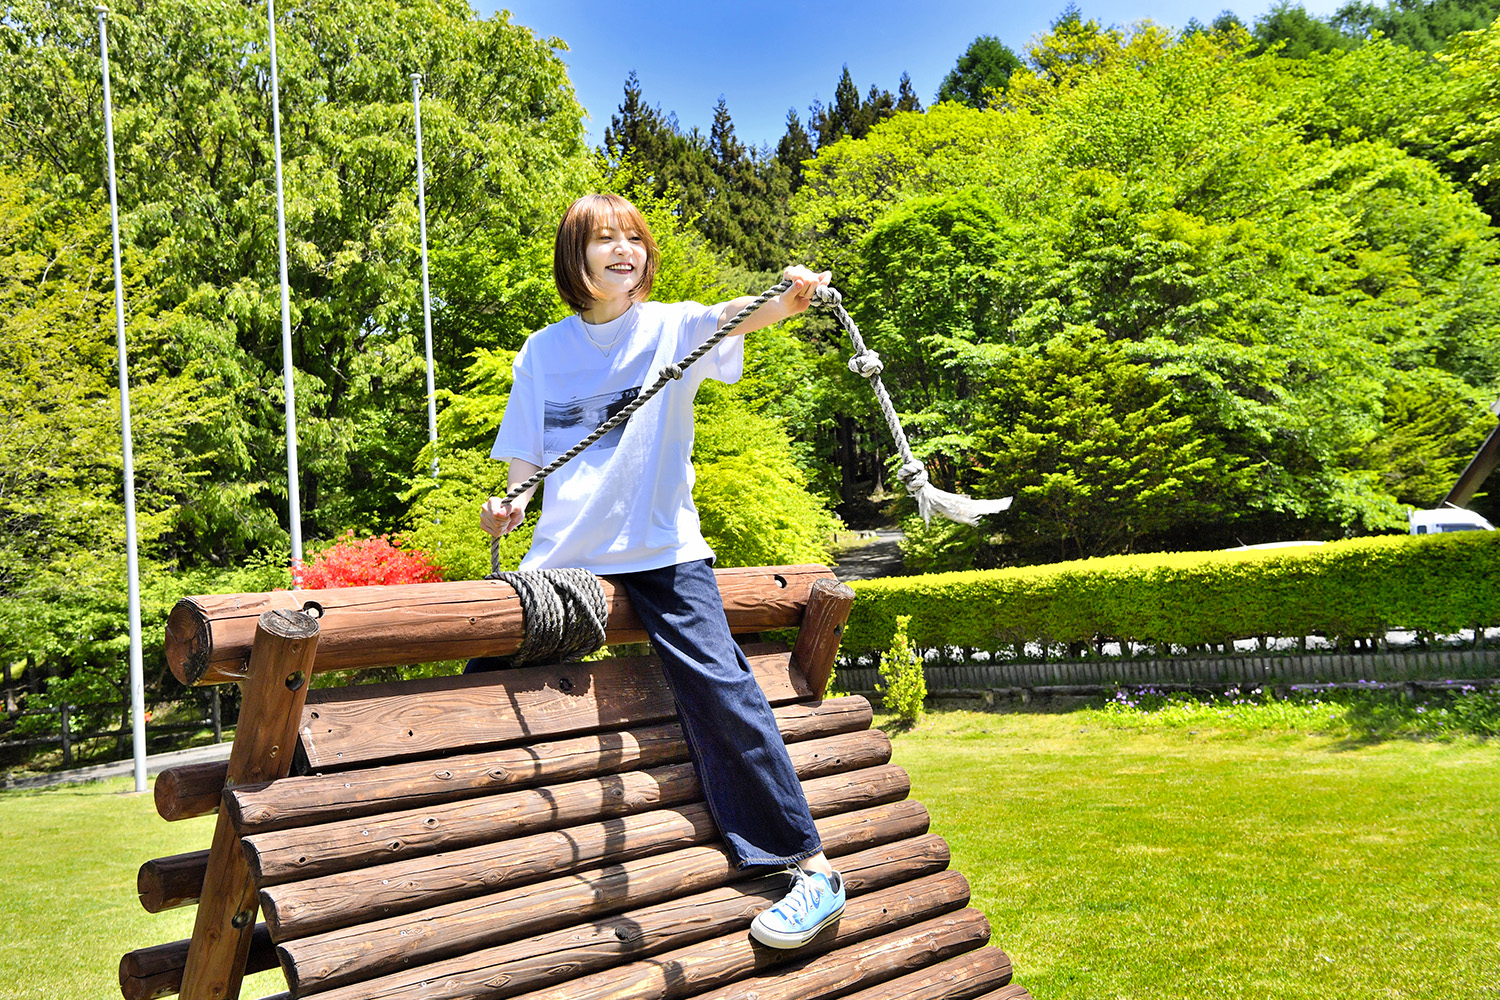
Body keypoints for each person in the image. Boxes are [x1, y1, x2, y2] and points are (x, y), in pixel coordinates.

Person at [479, 193, 844, 949]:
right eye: (604, 239)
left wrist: (790, 294)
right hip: (562, 559)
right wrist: (510, 503)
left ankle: (809, 868)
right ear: (573, 258)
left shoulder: (671, 326)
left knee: (724, 688)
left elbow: (742, 313)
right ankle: (466, 849)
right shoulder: (542, 351)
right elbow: (527, 453)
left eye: (634, 238)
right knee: (479, 672)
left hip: (662, 551)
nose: (624, 250)